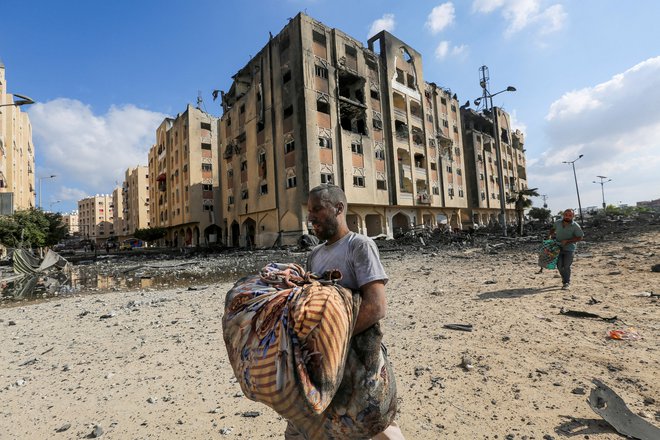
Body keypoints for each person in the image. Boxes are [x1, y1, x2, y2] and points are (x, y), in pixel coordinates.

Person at [283, 184, 404, 440]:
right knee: (304, 425)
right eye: (309, 210)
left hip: (358, 357)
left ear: (339, 208)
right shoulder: (315, 255)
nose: (311, 216)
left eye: (317, 209)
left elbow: (376, 306)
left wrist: (334, 339)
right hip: (323, 360)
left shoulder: (359, 245)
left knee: (376, 423)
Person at [549, 209, 584, 289]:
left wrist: (568, 241)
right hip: (557, 247)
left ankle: (566, 282)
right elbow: (552, 229)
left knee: (566, 266)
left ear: (573, 216)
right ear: (563, 215)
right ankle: (564, 279)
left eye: (570, 215)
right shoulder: (557, 222)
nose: (567, 217)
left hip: (569, 248)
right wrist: (551, 235)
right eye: (566, 215)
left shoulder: (575, 226)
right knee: (559, 266)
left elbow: (580, 237)